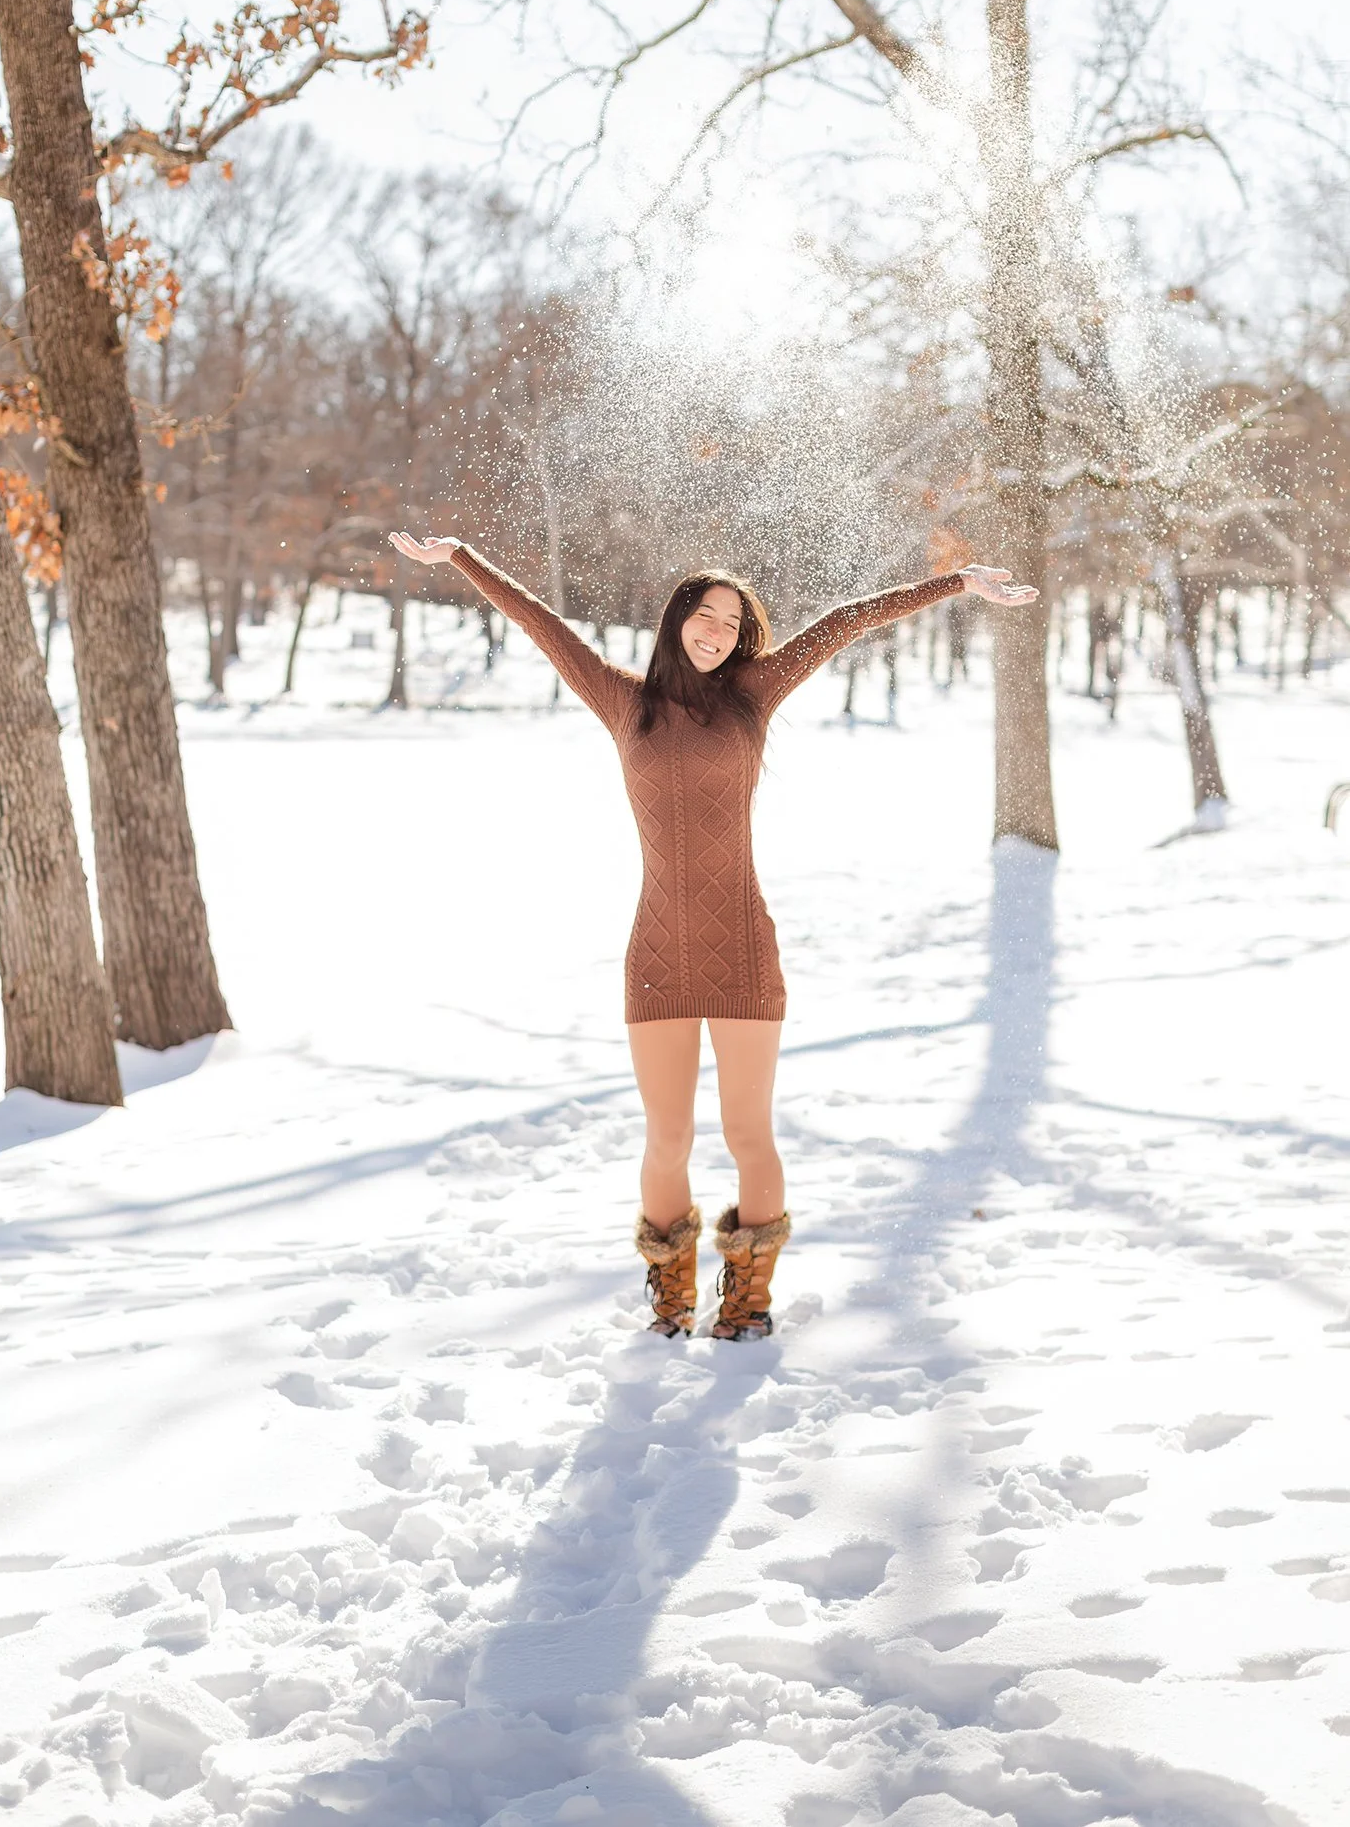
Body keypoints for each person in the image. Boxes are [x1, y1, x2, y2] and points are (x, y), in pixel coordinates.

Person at [389, 531, 1037, 1341]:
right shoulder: (624, 701)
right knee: (668, 1136)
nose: (718, 632)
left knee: (747, 1134)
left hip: (744, 950)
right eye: (706, 615)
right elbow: (542, 624)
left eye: (732, 623)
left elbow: (842, 623)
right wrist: (459, 560)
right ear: (676, 620)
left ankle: (747, 1297)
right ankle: (669, 1292)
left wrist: (955, 585)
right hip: (656, 955)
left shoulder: (753, 697)